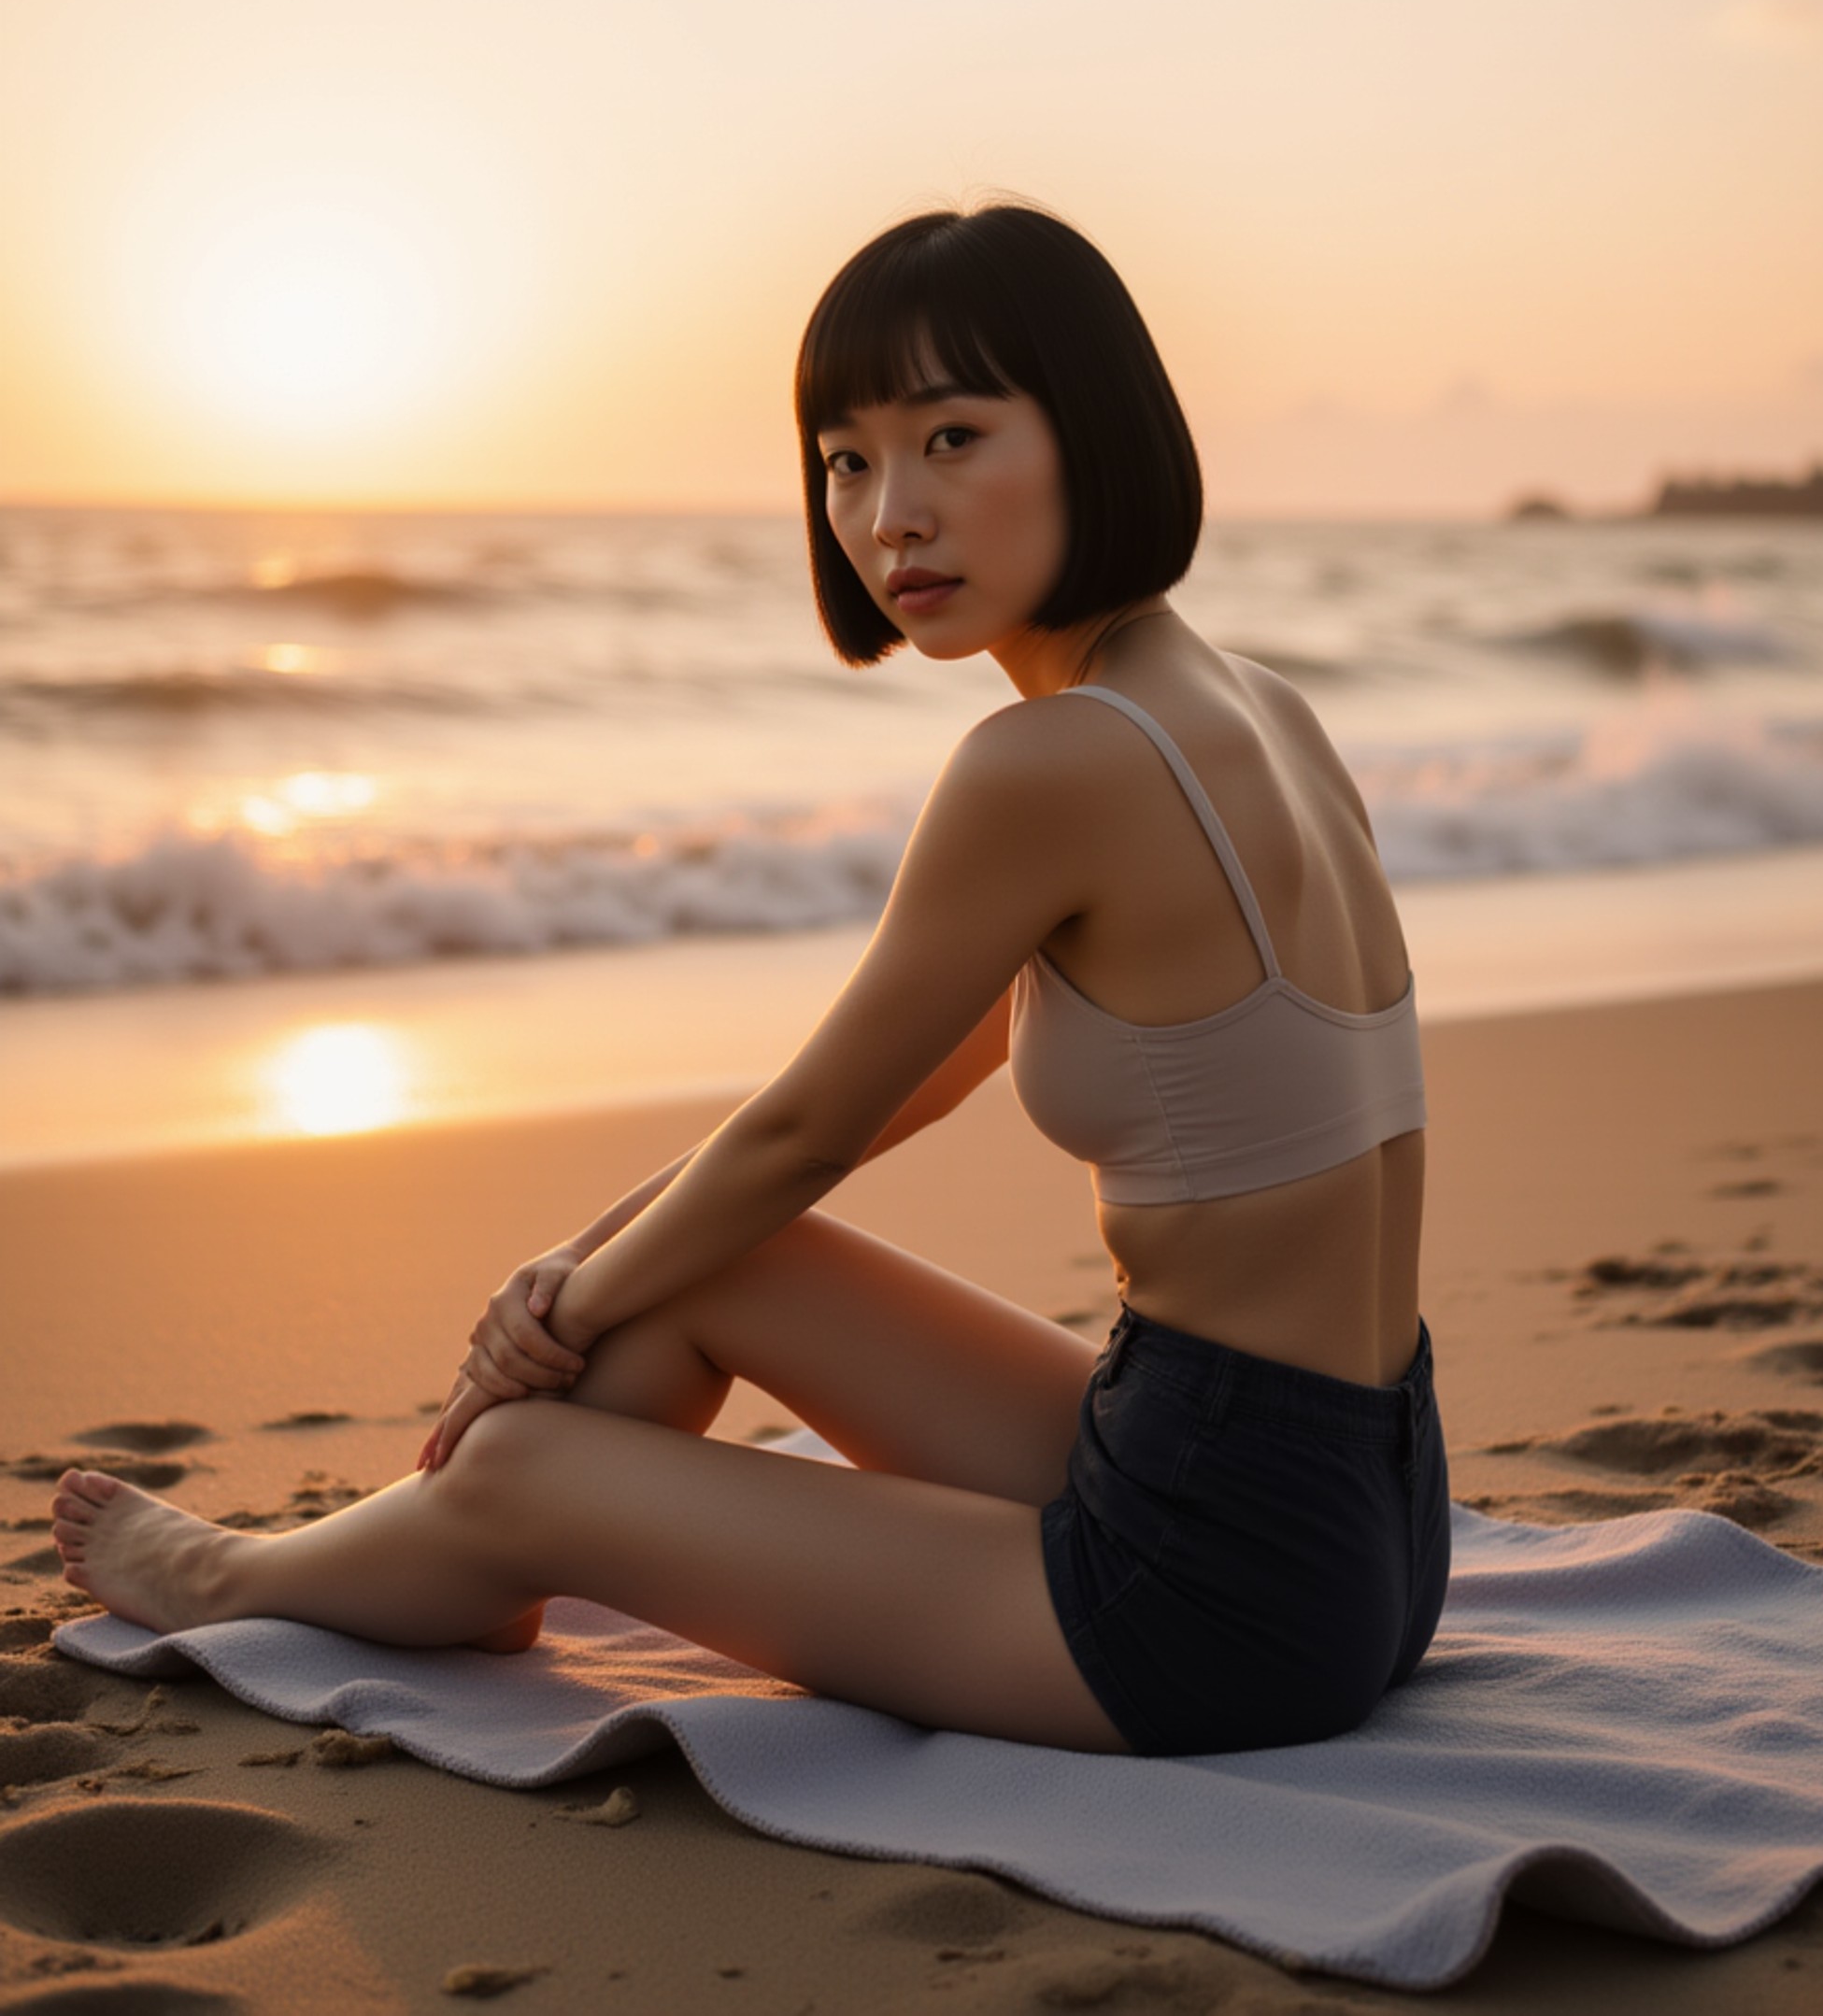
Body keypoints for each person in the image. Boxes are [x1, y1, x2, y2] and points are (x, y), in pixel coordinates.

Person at [52, 203, 1448, 1757]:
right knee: (704, 1264)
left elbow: (804, 1138)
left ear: (1095, 433)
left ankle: (284, 1565)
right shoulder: (1257, 710)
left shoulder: (1054, 761)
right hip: (1376, 1510)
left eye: (953, 437)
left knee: (527, 1453)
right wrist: (570, 1272)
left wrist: (544, 1318)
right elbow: (894, 1086)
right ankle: (464, 1549)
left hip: (1213, 1607)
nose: (890, 514)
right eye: (847, 460)